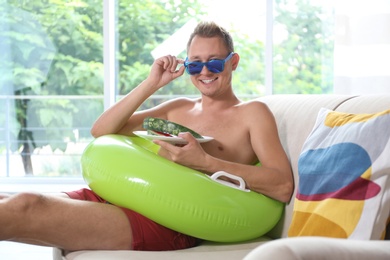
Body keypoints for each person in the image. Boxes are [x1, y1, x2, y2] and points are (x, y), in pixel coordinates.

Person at [0, 21, 293, 252]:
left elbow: (281, 186)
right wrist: (152, 83)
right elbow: (101, 130)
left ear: (234, 62)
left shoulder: (253, 113)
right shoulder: (177, 108)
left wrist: (204, 162)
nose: (204, 71)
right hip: (126, 194)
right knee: (8, 202)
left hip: (169, 221)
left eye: (214, 63)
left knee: (27, 205)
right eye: (194, 64)